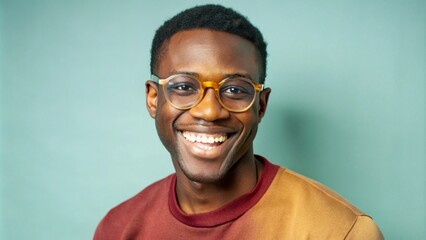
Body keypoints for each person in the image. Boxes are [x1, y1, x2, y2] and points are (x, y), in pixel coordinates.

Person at [94, 4, 383, 239]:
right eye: (183, 87)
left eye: (234, 90)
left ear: (261, 105)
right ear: (154, 99)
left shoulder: (340, 232)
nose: (209, 111)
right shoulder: (118, 229)